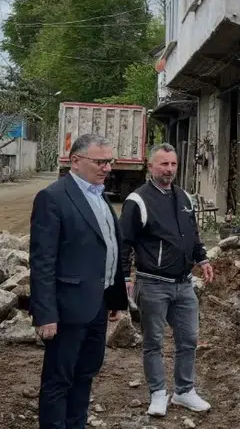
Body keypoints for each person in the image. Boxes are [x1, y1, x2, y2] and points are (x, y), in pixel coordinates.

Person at [29, 133, 129, 429]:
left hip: (97, 306)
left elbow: (108, 247)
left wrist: (114, 298)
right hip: (67, 309)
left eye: (109, 161)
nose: (107, 167)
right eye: (100, 161)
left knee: (85, 374)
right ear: (75, 161)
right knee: (59, 380)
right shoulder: (53, 198)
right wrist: (45, 313)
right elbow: (42, 261)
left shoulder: (100, 197)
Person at [119, 143, 214, 417]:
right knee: (154, 341)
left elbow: (192, 236)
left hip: (184, 283)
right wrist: (125, 276)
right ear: (151, 166)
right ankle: (158, 394)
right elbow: (125, 242)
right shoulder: (137, 201)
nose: (169, 169)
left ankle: (184, 392)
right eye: (163, 164)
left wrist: (203, 259)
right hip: (152, 283)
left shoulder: (184, 198)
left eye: (173, 164)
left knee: (189, 339)